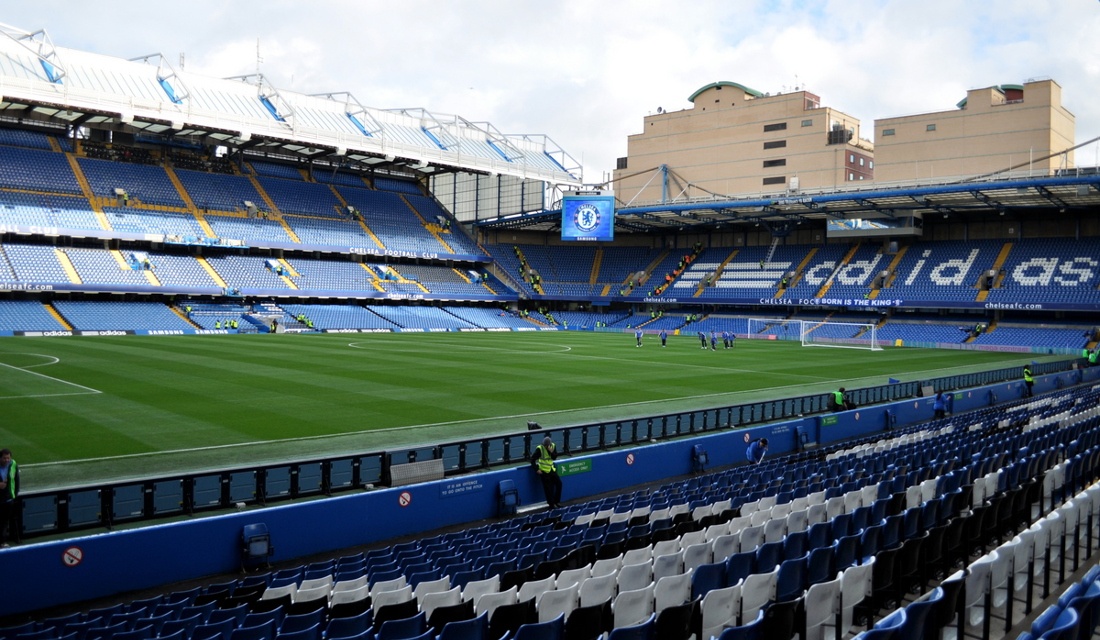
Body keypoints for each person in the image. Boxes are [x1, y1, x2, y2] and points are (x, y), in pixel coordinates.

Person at [531, 436, 562, 509]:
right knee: (548, 489)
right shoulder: (539, 448)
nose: (545, 446)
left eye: (546, 445)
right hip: (543, 471)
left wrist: (551, 451)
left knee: (559, 484)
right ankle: (551, 504)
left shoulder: (553, 446)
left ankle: (556, 501)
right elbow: (532, 460)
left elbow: (554, 457)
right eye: (544, 445)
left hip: (551, 469)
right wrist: (536, 469)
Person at [0, 448, 18, 547]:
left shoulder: (13, 464)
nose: (7, 460)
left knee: (4, 521)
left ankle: (3, 542)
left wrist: (15, 494)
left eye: (8, 458)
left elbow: (16, 480)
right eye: (4, 458)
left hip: (8, 498)